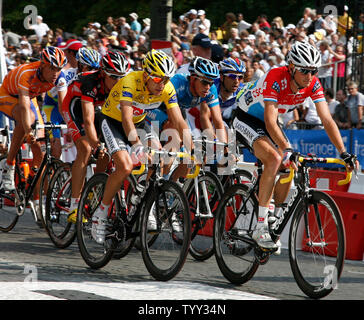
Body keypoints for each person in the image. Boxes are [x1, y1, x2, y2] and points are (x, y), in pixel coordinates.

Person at [233, 41, 357, 251]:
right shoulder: (275, 76)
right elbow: (270, 120)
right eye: (304, 71)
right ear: (291, 67)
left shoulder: (313, 84)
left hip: (268, 122)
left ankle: (275, 215)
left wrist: (344, 153)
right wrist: (286, 147)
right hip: (247, 118)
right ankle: (260, 226)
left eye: (313, 71)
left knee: (289, 163)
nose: (309, 76)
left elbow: (327, 120)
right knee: (275, 158)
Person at [92, 49, 193, 244]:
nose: (161, 84)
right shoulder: (130, 81)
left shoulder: (167, 88)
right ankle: (100, 213)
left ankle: (145, 201)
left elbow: (179, 121)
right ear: (146, 75)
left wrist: (191, 146)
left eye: (165, 79)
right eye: (157, 79)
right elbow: (126, 118)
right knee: (125, 166)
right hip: (113, 121)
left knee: (160, 156)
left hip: (140, 123)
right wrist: (137, 145)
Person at [62, 50, 129, 223]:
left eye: (121, 77)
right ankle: (74, 207)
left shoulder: (121, 85)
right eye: (114, 77)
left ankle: (94, 186)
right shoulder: (90, 82)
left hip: (99, 110)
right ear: (103, 73)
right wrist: (95, 144)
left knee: (108, 150)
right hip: (74, 107)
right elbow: (88, 120)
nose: (118, 81)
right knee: (85, 148)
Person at [0, 46, 67, 190]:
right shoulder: (27, 73)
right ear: (42, 65)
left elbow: (63, 106)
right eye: (52, 68)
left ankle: (33, 187)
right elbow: (24, 107)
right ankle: (9, 166)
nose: (56, 73)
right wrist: (29, 130)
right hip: (8, 95)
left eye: (59, 68)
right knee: (28, 120)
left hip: (31, 97)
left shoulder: (60, 77)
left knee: (40, 148)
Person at [42, 39, 84, 159]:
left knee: (82, 147)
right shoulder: (65, 74)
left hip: (69, 110)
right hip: (53, 110)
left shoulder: (87, 75)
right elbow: (62, 105)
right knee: (56, 151)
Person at [215, 57, 246, 128]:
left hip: (219, 118)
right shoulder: (211, 86)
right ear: (222, 77)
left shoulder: (242, 91)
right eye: (232, 76)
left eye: (240, 77)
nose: (236, 81)